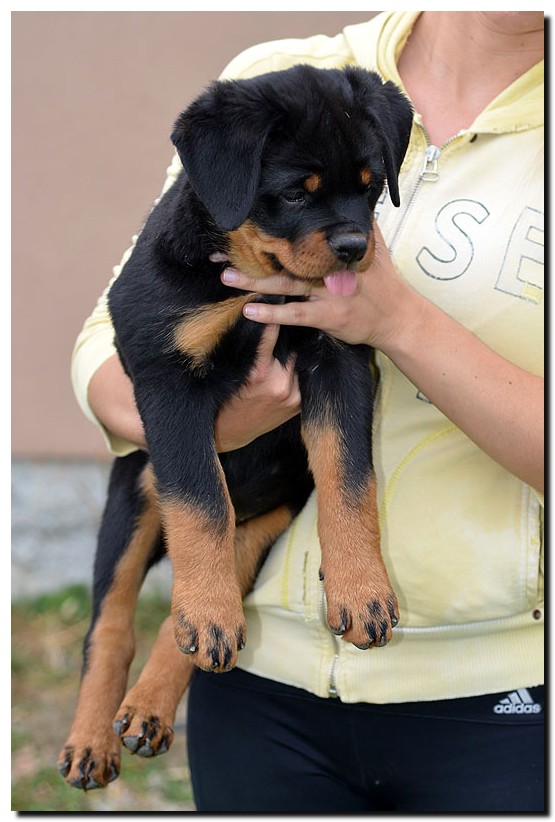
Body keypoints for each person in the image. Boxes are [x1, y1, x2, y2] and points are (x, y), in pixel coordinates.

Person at [71, 11, 544, 813]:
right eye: (301, 196)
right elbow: (108, 346)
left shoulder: (368, 118)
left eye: (365, 195)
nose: (351, 237)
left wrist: (397, 320)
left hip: (497, 695)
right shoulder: (278, 77)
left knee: (292, 449)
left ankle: (166, 665)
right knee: (146, 504)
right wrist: (215, 430)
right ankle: (111, 673)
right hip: (259, 680)